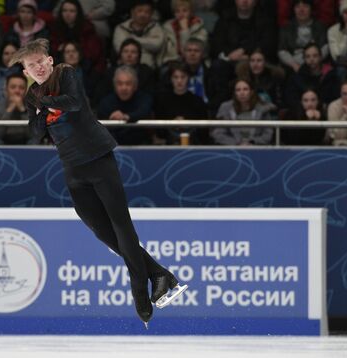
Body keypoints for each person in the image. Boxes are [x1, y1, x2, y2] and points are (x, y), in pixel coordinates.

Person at [11, 38, 187, 327]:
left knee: (121, 225)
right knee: (101, 230)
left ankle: (141, 297)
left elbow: (74, 103)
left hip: (98, 158)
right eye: (31, 66)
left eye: (41, 61)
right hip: (72, 168)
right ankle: (160, 274)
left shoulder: (65, 74)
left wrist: (44, 105)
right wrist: (41, 110)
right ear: (26, 71)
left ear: (50, 60)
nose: (38, 68)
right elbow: (35, 131)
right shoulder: (32, 95)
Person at [154, 61, 209, 144]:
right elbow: (159, 129)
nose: (179, 81)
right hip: (169, 143)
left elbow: (203, 130)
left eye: (183, 77)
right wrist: (172, 125)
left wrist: (187, 125)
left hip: (193, 142)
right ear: (170, 79)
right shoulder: (162, 100)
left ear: (188, 78)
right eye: (175, 77)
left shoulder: (197, 101)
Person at [97, 65, 153, 145]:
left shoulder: (144, 98)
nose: (124, 88)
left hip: (141, 146)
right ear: (115, 86)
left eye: (128, 84)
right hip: (113, 147)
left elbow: (144, 111)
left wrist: (126, 117)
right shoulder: (106, 102)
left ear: (135, 86)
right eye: (120, 84)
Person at [211, 78, 275, 145]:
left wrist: (252, 142)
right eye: (238, 90)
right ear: (235, 93)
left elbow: (268, 134)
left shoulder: (262, 109)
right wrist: (237, 144)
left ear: (251, 92)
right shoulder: (225, 108)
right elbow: (218, 133)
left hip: (257, 148)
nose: (242, 93)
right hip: (232, 149)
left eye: (245, 89)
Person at [278, 0, 328, 73]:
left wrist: (314, 61)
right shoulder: (286, 27)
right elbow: (282, 50)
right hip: (293, 67)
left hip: (317, 65)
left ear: (311, 9)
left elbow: (325, 47)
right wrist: (294, 65)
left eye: (305, 6)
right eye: (298, 7)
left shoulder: (320, 26)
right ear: (294, 10)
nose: (301, 10)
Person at [112, 0, 165, 68]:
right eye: (139, 11)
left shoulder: (156, 27)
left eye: (146, 12)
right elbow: (120, 48)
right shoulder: (121, 28)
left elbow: (157, 45)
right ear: (132, 12)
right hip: (124, 67)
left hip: (149, 67)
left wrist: (132, 39)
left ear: (151, 14)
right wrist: (147, 49)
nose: (143, 15)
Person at [0, 72, 30, 144]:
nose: (17, 91)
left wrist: (22, 110)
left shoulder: (33, 107)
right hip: (4, 140)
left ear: (26, 91)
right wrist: (9, 110)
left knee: (34, 141)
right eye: (13, 87)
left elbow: (34, 135)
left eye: (21, 88)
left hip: (25, 139)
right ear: (6, 90)